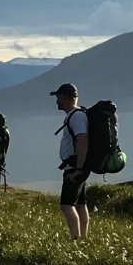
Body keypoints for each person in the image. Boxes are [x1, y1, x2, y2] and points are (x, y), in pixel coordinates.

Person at [52, 82, 89, 240]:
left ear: (66, 98)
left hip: (75, 166)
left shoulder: (77, 117)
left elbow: (82, 141)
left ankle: (75, 240)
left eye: (58, 97)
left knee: (66, 205)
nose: (56, 101)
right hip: (77, 165)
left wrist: (79, 169)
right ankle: (83, 239)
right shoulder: (77, 115)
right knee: (80, 204)